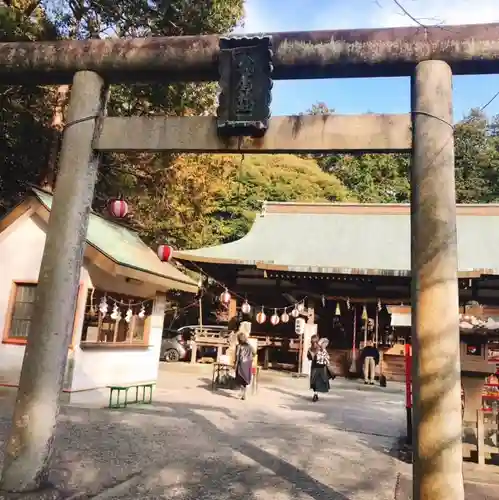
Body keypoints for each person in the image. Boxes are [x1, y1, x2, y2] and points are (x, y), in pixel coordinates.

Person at [307, 335, 330, 402]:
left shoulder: (312, 348)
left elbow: (309, 358)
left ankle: (315, 394)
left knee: (316, 381)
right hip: (319, 367)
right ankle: (315, 394)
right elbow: (327, 356)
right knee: (317, 381)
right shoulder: (320, 348)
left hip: (316, 367)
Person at [234, 332, 256, 400]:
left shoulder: (238, 346)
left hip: (241, 364)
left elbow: (237, 356)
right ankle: (244, 393)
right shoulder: (250, 346)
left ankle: (241, 392)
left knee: (240, 378)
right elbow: (254, 353)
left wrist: (235, 365)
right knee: (245, 379)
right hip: (248, 364)